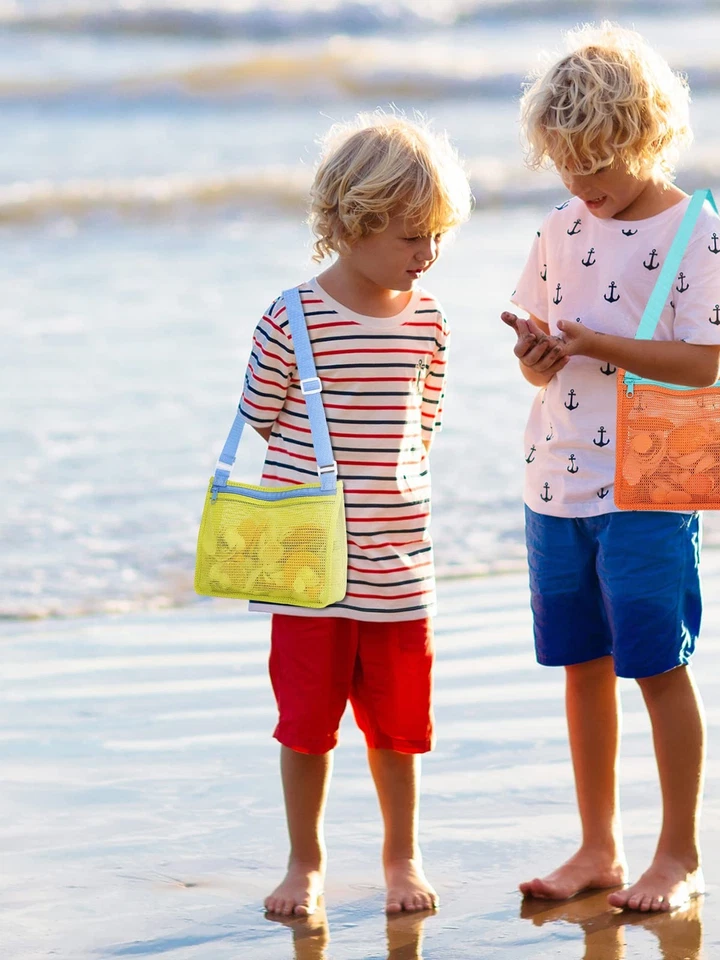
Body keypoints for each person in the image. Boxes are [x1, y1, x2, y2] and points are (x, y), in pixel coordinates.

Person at [502, 23, 720, 912]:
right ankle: (597, 847)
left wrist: (600, 343)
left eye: (597, 165)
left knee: (656, 662)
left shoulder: (698, 231)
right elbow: (540, 343)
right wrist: (537, 356)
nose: (582, 186)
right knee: (582, 662)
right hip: (557, 473)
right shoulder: (563, 225)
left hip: (652, 477)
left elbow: (705, 364)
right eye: (566, 166)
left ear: (646, 139)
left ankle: (677, 853)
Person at [235, 112, 471, 917]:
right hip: (308, 564)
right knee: (305, 723)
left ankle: (401, 857)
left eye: (435, 236)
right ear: (350, 224)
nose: (426, 254)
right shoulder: (292, 317)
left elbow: (425, 423)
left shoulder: (431, 321)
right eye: (410, 237)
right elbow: (260, 417)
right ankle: (305, 862)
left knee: (400, 726)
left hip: (401, 558)